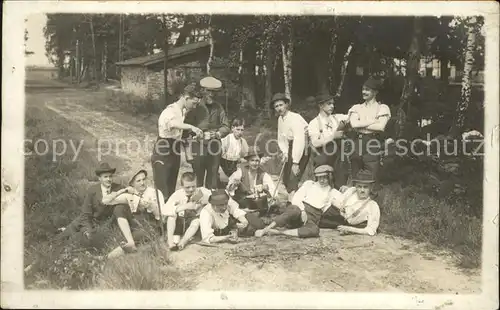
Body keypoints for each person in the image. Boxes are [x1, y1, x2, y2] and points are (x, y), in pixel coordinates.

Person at [59, 162, 144, 254]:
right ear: (99, 178)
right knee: (66, 233)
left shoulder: (119, 188)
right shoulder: (92, 190)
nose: (108, 179)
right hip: (92, 220)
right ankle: (58, 237)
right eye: (105, 177)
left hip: (107, 223)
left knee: (82, 240)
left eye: (110, 176)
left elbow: (129, 206)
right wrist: (88, 229)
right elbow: (86, 213)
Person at [151, 82, 204, 201]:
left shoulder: (183, 112)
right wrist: (191, 127)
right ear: (186, 98)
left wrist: (189, 154)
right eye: (194, 103)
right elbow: (173, 124)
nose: (194, 106)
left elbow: (181, 136)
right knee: (162, 187)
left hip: (175, 149)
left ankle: (170, 215)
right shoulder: (170, 111)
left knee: (171, 185)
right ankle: (159, 216)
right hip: (163, 149)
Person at [254, 165, 336, 238]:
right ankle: (265, 229)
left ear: (330, 177)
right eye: (319, 177)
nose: (321, 180)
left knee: (315, 230)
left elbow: (336, 206)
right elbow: (296, 198)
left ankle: (279, 233)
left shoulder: (332, 192)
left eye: (324, 177)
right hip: (299, 211)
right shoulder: (310, 184)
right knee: (294, 210)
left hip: (311, 218)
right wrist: (303, 211)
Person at [184, 76, 230, 189]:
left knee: (213, 176)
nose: (212, 94)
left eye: (214, 92)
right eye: (209, 91)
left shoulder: (219, 108)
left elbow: (226, 126)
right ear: (203, 91)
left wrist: (218, 133)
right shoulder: (196, 107)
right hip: (198, 146)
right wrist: (189, 147)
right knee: (197, 177)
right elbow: (185, 128)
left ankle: (211, 202)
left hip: (214, 147)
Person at [347, 76, 391, 190]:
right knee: (355, 176)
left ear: (375, 92)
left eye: (367, 90)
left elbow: (380, 127)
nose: (364, 92)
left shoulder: (382, 108)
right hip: (357, 142)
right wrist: (373, 121)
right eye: (363, 89)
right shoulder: (356, 107)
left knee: (372, 175)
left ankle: (372, 204)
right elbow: (354, 125)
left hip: (372, 143)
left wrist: (361, 123)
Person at [271, 93, 310, 198]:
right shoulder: (280, 119)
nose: (279, 108)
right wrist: (285, 152)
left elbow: (299, 140)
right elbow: (281, 138)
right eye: (276, 106)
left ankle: (296, 200)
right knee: (286, 176)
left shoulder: (295, 118)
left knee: (294, 175)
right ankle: (290, 198)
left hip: (304, 147)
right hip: (291, 147)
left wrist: (295, 162)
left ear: (286, 105)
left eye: (281, 105)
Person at [319, 169, 381, 236]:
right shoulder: (352, 191)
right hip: (334, 215)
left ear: (371, 187)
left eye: (365, 187)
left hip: (347, 224)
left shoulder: (372, 205)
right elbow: (339, 200)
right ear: (356, 186)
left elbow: (371, 230)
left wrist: (349, 229)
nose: (362, 190)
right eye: (359, 186)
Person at [307, 93, 350, 188]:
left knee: (341, 180)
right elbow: (315, 142)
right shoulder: (314, 123)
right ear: (320, 105)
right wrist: (332, 136)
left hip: (339, 155)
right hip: (323, 155)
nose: (332, 106)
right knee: (324, 183)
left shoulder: (337, 118)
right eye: (329, 104)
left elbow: (351, 115)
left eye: (333, 104)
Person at [163, 172, 212, 250]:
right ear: (182, 186)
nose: (191, 189)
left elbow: (215, 197)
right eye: (187, 187)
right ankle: (170, 243)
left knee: (197, 222)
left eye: (193, 186)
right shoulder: (178, 194)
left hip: (192, 223)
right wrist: (184, 206)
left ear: (196, 183)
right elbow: (165, 210)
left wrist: (207, 200)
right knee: (171, 216)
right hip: (179, 222)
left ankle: (183, 242)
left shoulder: (202, 191)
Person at [199, 189, 266, 244]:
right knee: (251, 231)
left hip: (231, 220)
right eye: (221, 205)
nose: (224, 207)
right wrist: (226, 238)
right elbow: (208, 238)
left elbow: (235, 210)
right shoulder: (206, 213)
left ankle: (258, 219)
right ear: (213, 205)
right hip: (220, 231)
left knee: (259, 224)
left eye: (225, 204)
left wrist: (244, 221)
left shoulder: (227, 201)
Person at [226, 146, 276, 216]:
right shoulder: (240, 172)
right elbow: (229, 189)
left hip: (256, 203)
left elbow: (274, 193)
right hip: (242, 202)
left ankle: (254, 214)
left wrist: (266, 188)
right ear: (248, 161)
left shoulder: (263, 174)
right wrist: (234, 185)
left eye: (257, 161)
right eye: (252, 160)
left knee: (271, 204)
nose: (255, 163)